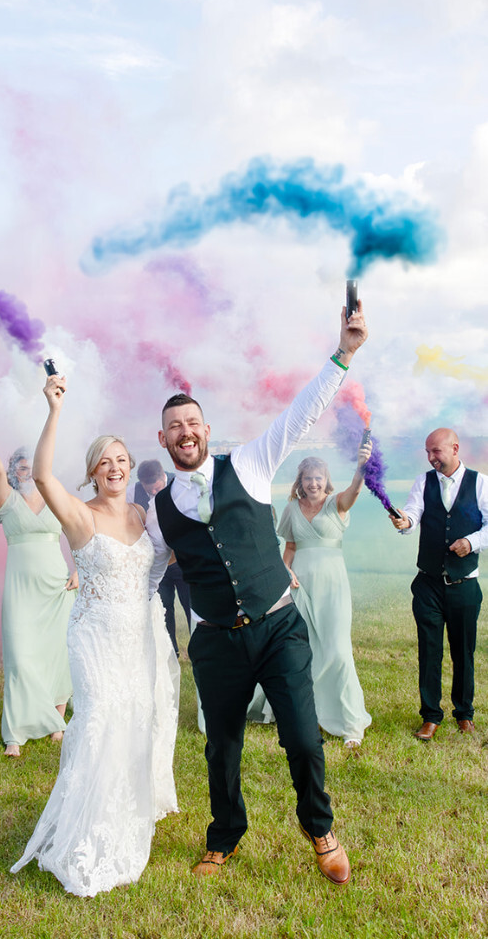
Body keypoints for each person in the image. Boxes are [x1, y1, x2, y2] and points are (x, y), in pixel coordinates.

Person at [146, 303, 368, 886]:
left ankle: (320, 829)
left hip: (278, 627)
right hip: (215, 641)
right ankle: (226, 834)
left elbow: (301, 415)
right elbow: (146, 575)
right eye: (174, 426)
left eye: (192, 422)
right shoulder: (158, 508)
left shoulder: (248, 462)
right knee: (221, 749)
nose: (185, 432)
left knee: (301, 735)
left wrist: (343, 354)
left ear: (206, 429)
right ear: (162, 438)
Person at [11, 373, 179, 897]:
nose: (114, 467)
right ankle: (86, 831)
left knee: (136, 719)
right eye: (104, 461)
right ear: (92, 472)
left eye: (121, 459)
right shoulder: (80, 517)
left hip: (140, 636)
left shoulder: (144, 514)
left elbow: (157, 568)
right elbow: (41, 476)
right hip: (94, 638)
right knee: (101, 717)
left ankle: (128, 813)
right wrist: (54, 410)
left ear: (131, 469)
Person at [0, 426, 77, 757]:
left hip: (57, 587)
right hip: (21, 591)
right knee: (20, 657)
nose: (27, 470)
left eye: (33, 464)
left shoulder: (56, 496)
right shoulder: (7, 498)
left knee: (57, 653)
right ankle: (14, 734)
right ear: (14, 470)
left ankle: (56, 722)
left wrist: (80, 570)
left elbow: (80, 535)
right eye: (21, 465)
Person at [390, 428, 488, 740]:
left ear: (455, 448)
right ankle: (431, 716)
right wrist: (405, 522)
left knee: (463, 652)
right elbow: (414, 513)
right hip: (428, 585)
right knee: (429, 652)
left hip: (464, 585)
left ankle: (464, 713)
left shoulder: (481, 482)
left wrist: (471, 543)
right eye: (428, 452)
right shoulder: (423, 482)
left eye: (437, 451)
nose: (432, 458)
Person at [277, 444, 373, 749]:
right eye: (308, 478)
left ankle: (350, 725)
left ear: (326, 479)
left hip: (332, 586)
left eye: (318, 477)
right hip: (299, 587)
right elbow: (289, 549)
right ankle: (308, 714)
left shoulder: (336, 504)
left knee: (339, 650)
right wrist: (286, 572)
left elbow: (354, 492)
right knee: (305, 651)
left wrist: (360, 467)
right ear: (300, 481)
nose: (313, 483)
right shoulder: (291, 508)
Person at [134, 459, 191, 657]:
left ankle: (199, 648)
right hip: (156, 563)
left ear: (162, 477)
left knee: (191, 606)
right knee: (164, 610)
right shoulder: (134, 492)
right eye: (149, 490)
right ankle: (171, 652)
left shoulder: (181, 484)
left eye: (157, 489)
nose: (154, 494)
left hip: (183, 562)